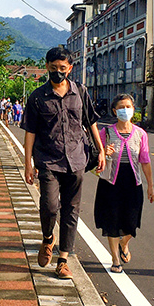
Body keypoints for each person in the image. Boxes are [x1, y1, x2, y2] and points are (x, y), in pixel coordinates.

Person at [22, 46, 106, 279]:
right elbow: (30, 131)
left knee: (71, 210)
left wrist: (100, 151)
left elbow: (90, 122)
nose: (58, 72)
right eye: (53, 67)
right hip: (48, 160)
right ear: (47, 66)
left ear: (70, 68)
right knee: (49, 206)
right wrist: (28, 163)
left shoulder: (80, 91)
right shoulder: (37, 97)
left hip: (77, 160)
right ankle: (48, 238)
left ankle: (63, 260)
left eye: (62, 68)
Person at [94, 94, 154, 273]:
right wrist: (104, 152)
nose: (125, 110)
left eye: (128, 107)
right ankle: (115, 259)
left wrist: (150, 185)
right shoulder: (106, 133)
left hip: (133, 181)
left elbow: (145, 160)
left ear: (133, 110)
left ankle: (124, 243)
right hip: (111, 183)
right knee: (112, 221)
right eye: (121, 107)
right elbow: (94, 156)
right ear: (115, 110)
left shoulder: (140, 134)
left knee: (131, 222)